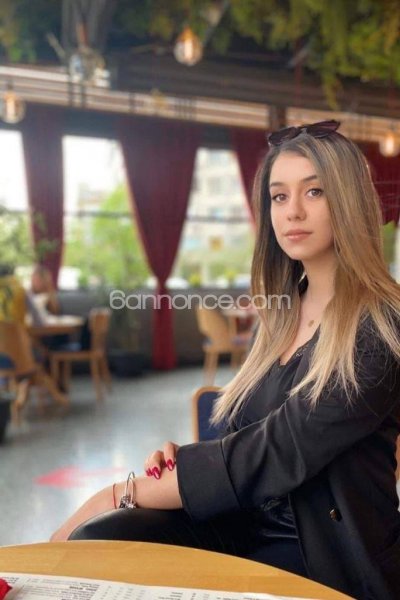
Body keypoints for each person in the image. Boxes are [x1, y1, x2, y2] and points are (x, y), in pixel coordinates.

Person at [50, 121, 400, 600]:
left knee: (112, 514)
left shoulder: (380, 325)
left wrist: (122, 490)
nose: (293, 211)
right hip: (242, 523)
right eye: (279, 196)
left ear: (348, 200)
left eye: (314, 191)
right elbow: (241, 433)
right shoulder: (280, 314)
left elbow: (278, 450)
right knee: (102, 536)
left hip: (323, 553)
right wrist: (180, 462)